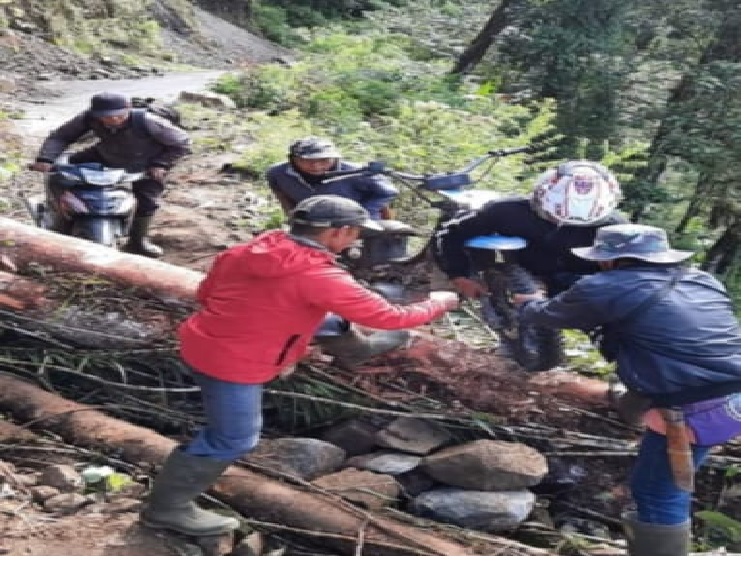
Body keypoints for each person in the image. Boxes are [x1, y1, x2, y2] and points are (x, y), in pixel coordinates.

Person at [140, 195, 459, 536]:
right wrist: (437, 303)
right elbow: (388, 316)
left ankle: (355, 349)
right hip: (235, 363)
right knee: (233, 439)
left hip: (203, 340)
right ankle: (166, 510)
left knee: (326, 318)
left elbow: (207, 294)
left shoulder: (250, 250)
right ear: (337, 233)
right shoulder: (319, 275)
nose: (355, 241)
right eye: (355, 234)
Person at [515, 224, 741, 556]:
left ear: (610, 260)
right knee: (665, 486)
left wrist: (527, 304)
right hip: (734, 394)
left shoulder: (603, 286)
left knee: (657, 492)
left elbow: (549, 316)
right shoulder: (702, 280)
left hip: (694, 407)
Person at [29, 92, 191, 258]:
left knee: (147, 200)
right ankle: (55, 214)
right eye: (106, 117)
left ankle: (138, 241)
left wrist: (161, 164)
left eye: (119, 116)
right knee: (61, 171)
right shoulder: (87, 118)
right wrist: (46, 159)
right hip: (106, 154)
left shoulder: (149, 121)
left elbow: (182, 143)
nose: (113, 120)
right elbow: (61, 136)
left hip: (146, 162)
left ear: (128, 108)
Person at [433, 160, 627, 298]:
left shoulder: (614, 227)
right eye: (553, 217)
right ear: (540, 200)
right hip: (523, 267)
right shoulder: (507, 211)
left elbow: (634, 272)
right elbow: (451, 234)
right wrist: (459, 276)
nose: (564, 225)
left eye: (581, 225)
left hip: (577, 277)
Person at [265, 136, 399, 221]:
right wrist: (292, 217)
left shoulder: (356, 172)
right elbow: (281, 195)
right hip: (316, 222)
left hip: (360, 220)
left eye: (324, 160)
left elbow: (389, 192)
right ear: (293, 160)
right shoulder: (278, 173)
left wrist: (365, 213)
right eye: (307, 161)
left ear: (334, 158)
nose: (316, 166)